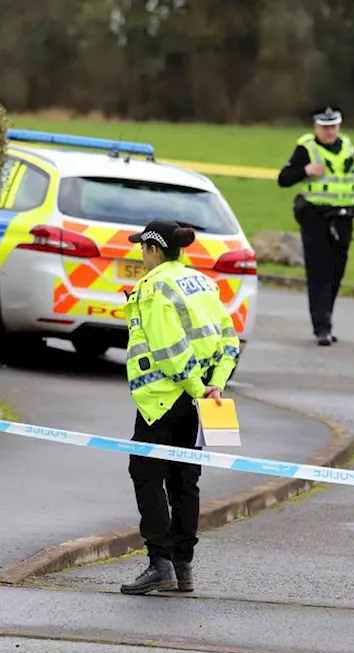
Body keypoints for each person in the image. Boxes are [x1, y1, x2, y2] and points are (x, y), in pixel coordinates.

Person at [118, 219, 241, 596]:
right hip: (203, 399)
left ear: (154, 250)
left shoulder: (152, 287)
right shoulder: (202, 282)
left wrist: (195, 387)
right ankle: (183, 567)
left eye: (143, 248)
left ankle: (160, 564)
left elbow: (168, 348)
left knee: (146, 472)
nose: (141, 254)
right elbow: (228, 339)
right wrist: (214, 384)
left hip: (163, 397)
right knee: (186, 481)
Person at [276, 106, 354, 346]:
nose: (330, 131)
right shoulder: (306, 148)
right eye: (325, 127)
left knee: (336, 271)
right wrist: (306, 171)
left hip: (344, 217)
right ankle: (322, 326)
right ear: (315, 127)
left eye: (333, 126)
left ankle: (326, 317)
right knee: (318, 272)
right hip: (315, 216)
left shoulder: (347, 147)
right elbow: (284, 178)